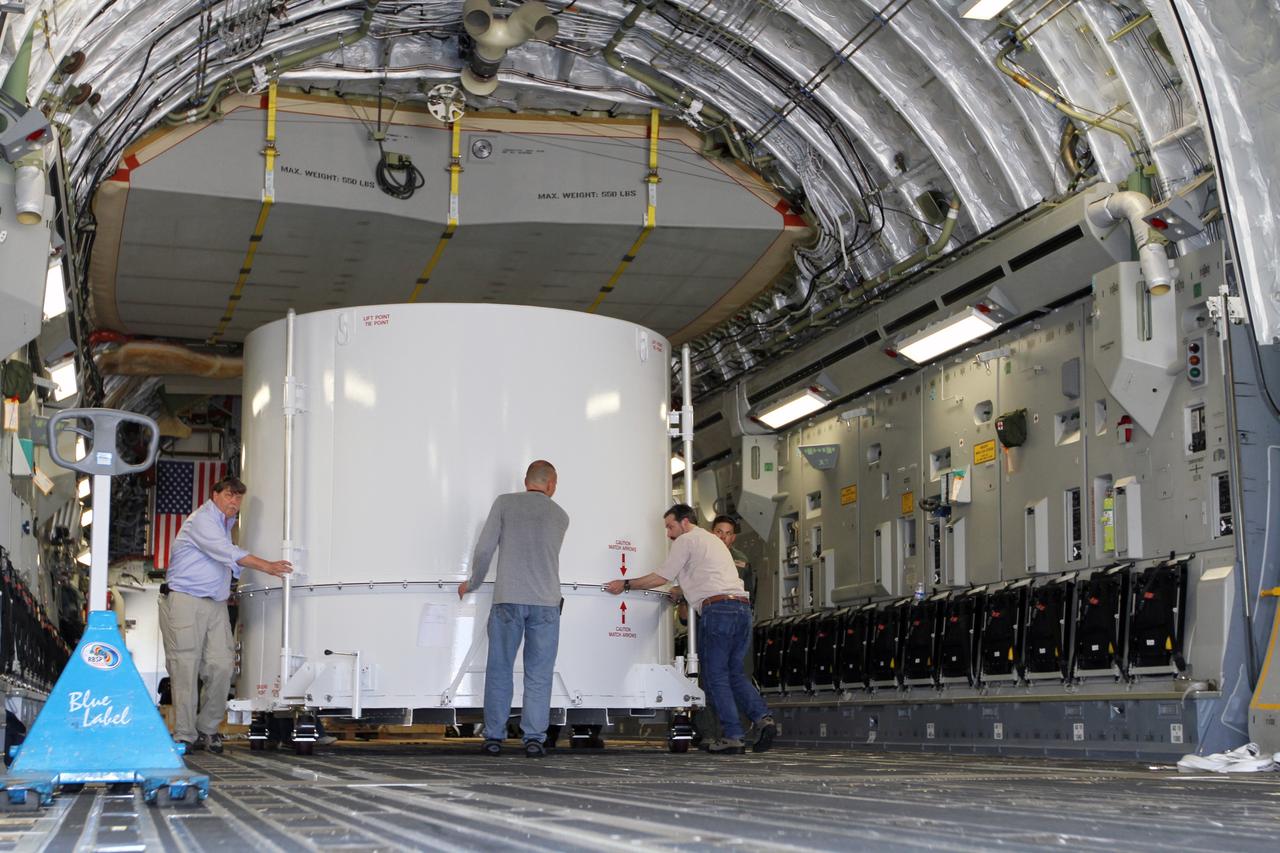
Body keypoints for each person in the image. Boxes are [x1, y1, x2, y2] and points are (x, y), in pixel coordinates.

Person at [606, 504, 776, 754]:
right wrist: (684, 592)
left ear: (685, 522)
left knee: (716, 676)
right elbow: (707, 576)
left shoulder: (686, 540)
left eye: (670, 526)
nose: (668, 533)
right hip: (740, 608)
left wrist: (626, 584)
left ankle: (733, 736)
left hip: (718, 612)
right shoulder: (712, 541)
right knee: (735, 673)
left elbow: (662, 577)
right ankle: (763, 718)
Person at [158, 476, 292, 754]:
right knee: (185, 667)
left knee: (221, 666)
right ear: (215, 495)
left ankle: (207, 729)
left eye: (239, 498)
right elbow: (227, 553)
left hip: (216, 604)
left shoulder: (226, 524)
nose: (235, 502)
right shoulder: (202, 520)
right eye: (230, 495)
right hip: (185, 598)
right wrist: (267, 566)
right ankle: (184, 734)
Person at [458, 460, 570, 758]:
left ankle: (494, 737)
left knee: (500, 669)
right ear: (551, 484)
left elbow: (484, 549)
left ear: (526, 480)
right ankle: (534, 739)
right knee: (539, 674)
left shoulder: (505, 503)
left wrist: (472, 582)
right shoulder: (561, 515)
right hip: (546, 603)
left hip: (508, 599)